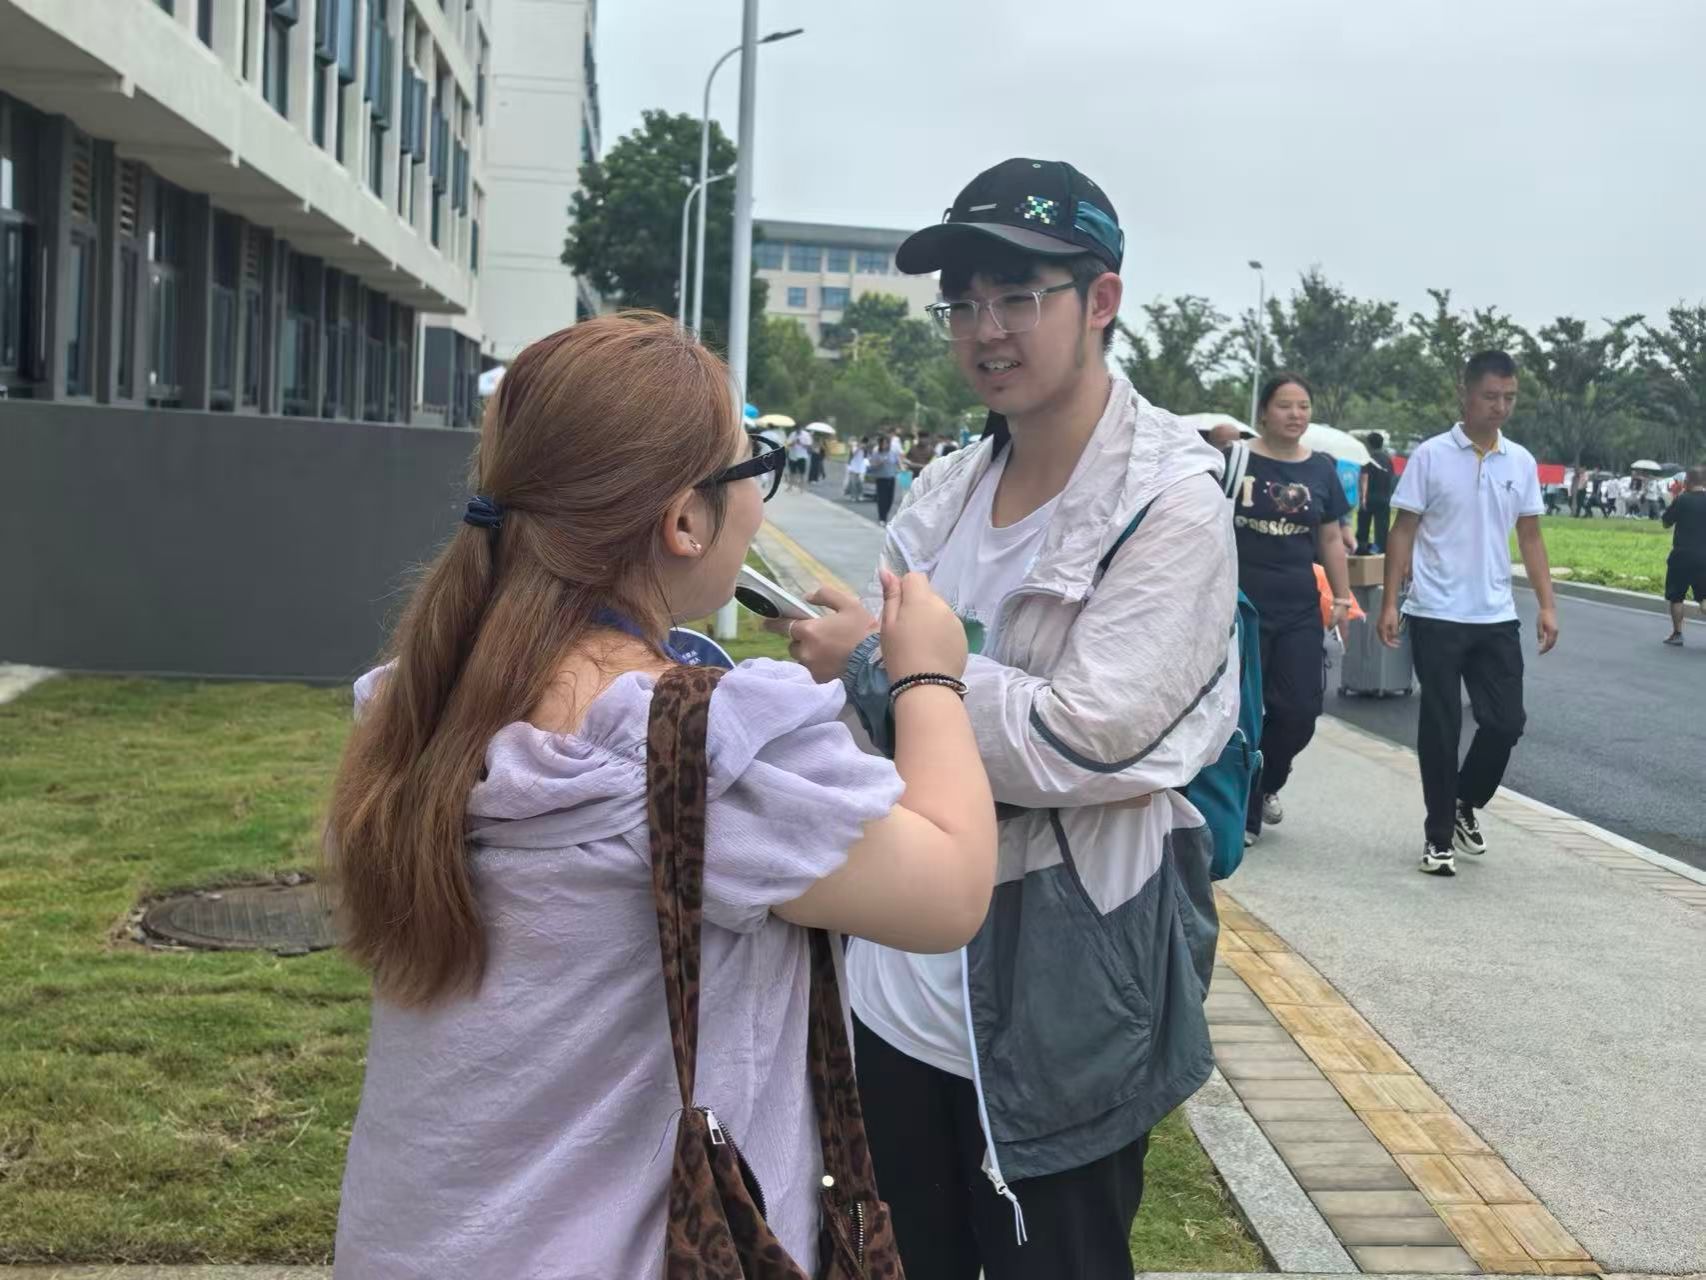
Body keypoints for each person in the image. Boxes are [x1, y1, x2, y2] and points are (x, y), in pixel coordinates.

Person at [323, 313, 998, 1277]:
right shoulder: (705, 750)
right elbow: (951, 888)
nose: (757, 501)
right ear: (685, 522)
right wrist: (927, 675)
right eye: (752, 469)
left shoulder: (421, 699)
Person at [770, 157, 1238, 1279]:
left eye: (1019, 296)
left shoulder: (1168, 505)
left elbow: (1081, 738)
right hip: (897, 982)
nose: (986, 330)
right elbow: (871, 730)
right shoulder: (942, 494)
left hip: (1061, 996)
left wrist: (885, 666)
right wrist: (853, 673)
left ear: (1101, 299)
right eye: (964, 303)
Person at [1378, 350, 1559, 878]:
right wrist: (1389, 601)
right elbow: (1403, 530)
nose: (1500, 407)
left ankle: (1464, 802)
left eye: (1510, 397)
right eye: (1491, 396)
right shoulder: (1431, 456)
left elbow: (1531, 536)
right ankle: (1438, 839)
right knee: (1440, 725)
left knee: (1506, 722)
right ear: (1466, 393)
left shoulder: (1520, 462)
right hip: (1436, 611)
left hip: (1495, 614)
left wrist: (1547, 603)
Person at [1230, 374, 1352, 843]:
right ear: (1264, 411)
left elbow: (1330, 538)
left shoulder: (1320, 469)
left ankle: (1267, 783)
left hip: (1299, 607)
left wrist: (1341, 596)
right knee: (1242, 713)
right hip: (1238, 606)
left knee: (1300, 711)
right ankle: (1243, 813)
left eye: (1303, 405)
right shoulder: (1234, 459)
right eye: (1285, 405)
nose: (1296, 414)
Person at [1661, 465, 1706, 646]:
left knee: (1676, 596)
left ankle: (1677, 634)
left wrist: (1674, 498)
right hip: (1704, 556)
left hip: (1681, 556)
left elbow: (1666, 522)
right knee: (1704, 597)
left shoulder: (1682, 500)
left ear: (1687, 481)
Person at [1357, 431, 1396, 553]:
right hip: (1384, 497)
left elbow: (1364, 477)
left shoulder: (1368, 458)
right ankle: (1381, 550)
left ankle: (1362, 549)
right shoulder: (1387, 459)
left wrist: (1363, 497)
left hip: (1370, 497)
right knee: (1382, 527)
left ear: (1369, 444)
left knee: (1363, 525)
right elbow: (1391, 477)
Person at [868, 431, 901, 524]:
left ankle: (885, 514)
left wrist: (902, 468)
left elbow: (897, 461)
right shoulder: (876, 452)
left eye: (886, 443)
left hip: (891, 477)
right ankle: (882, 517)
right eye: (882, 443)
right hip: (881, 478)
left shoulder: (892, 451)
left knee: (890, 499)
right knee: (882, 499)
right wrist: (879, 463)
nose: (884, 445)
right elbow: (872, 465)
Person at [785, 425, 812, 494]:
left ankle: (802, 488)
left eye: (799, 429)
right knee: (792, 472)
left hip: (802, 456)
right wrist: (793, 443)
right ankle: (790, 487)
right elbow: (787, 444)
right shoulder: (792, 434)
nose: (798, 431)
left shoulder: (806, 435)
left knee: (802, 473)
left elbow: (809, 446)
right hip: (792, 456)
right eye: (796, 430)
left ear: (801, 429)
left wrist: (801, 443)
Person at [845, 435, 870, 500]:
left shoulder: (865, 449)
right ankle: (853, 496)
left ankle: (860, 495)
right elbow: (853, 453)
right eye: (862, 442)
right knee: (853, 482)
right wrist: (859, 447)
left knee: (860, 482)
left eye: (865, 443)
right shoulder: (855, 445)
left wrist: (864, 449)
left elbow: (866, 457)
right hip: (853, 467)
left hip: (861, 467)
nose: (863, 444)